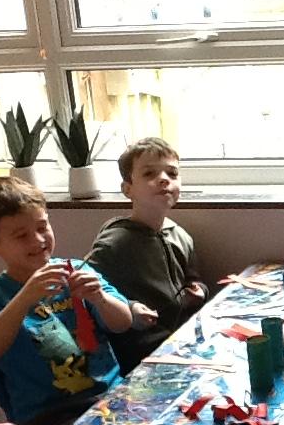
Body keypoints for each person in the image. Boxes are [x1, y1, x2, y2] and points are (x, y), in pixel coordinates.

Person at [0, 177, 132, 425]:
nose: (38, 240)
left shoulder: (77, 269)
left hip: (111, 398)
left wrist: (100, 298)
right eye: (21, 236)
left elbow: (123, 322)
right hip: (49, 416)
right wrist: (24, 298)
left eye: (42, 227)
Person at [88, 137, 209, 374]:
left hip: (183, 345)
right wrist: (130, 308)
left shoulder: (181, 236)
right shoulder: (114, 243)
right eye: (149, 173)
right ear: (128, 189)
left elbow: (193, 279)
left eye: (172, 173)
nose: (164, 179)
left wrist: (199, 291)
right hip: (139, 355)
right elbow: (90, 293)